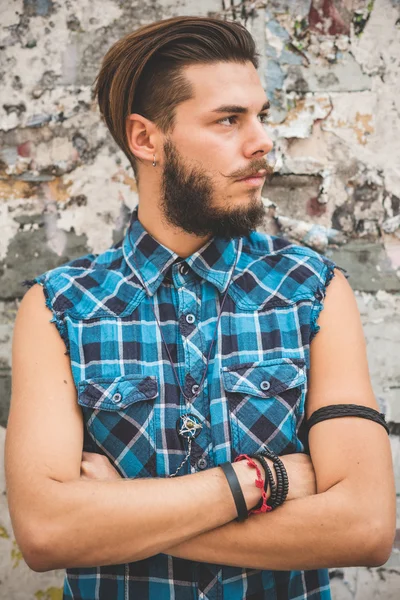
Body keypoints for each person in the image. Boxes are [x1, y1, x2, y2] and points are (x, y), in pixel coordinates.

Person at [5, 15, 395, 600]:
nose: (262, 140)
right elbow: (46, 533)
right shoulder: (61, 308)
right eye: (229, 120)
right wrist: (261, 481)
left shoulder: (311, 290)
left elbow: (365, 527)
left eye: (260, 115)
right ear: (146, 139)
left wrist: (118, 515)